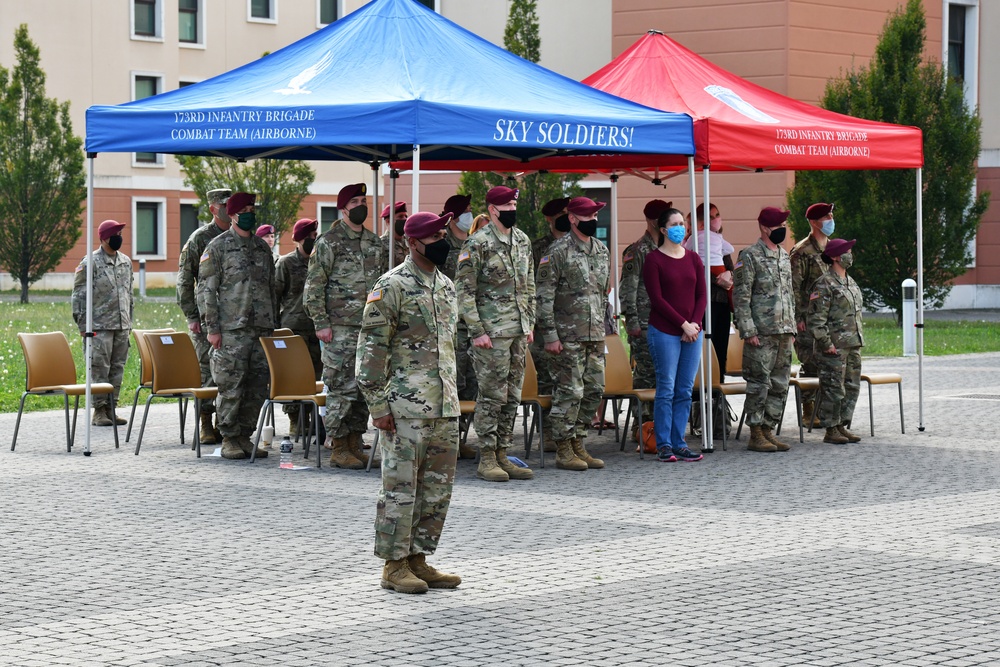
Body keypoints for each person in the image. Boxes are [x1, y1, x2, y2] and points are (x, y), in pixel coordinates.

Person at [357, 210, 462, 594]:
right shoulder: (391, 286)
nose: (442, 241)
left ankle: (419, 558)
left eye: (442, 233)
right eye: (433, 236)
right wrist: (378, 405)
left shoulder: (446, 286)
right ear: (412, 242)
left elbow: (450, 348)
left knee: (436, 489)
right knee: (400, 487)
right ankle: (394, 565)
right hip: (404, 408)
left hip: (443, 405)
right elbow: (370, 350)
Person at [456, 186, 536, 482]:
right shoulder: (477, 243)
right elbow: (464, 292)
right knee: (491, 396)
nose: (513, 208)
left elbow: (528, 287)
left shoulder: (522, 241)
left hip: (517, 332)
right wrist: (477, 331)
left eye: (515, 203)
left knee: (512, 395)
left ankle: (503, 452)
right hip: (490, 334)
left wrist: (528, 324)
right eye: (508, 204)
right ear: (492, 209)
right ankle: (487, 457)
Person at [303, 183, 385, 469]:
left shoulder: (375, 242)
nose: (361, 205)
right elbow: (314, 287)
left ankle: (354, 442)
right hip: (339, 329)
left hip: (370, 327)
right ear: (343, 208)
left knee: (363, 386)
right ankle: (338, 445)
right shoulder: (328, 242)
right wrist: (321, 323)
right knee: (340, 387)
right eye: (355, 201)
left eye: (364, 200)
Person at [197, 192, 276, 460]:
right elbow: (207, 290)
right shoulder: (216, 248)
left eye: (253, 208)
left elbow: (270, 287)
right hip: (231, 329)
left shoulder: (262, 248)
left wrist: (271, 324)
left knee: (257, 385)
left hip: (261, 328)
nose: (250, 213)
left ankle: (245, 435)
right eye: (244, 209)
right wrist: (213, 328)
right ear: (231, 215)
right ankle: (230, 436)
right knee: (231, 385)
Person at [535, 196, 610, 471]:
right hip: (566, 336)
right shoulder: (557, 252)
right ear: (573, 219)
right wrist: (551, 335)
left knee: (594, 389)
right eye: (588, 217)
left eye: (595, 216)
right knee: (570, 391)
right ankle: (564, 447)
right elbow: (543, 297)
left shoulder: (601, 251)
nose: (594, 221)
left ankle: (579, 441)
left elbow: (602, 295)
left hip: (594, 334)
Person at [642, 207, 707, 462]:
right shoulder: (653, 260)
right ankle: (664, 445)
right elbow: (657, 300)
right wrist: (683, 324)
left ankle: (680, 443)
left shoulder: (693, 258)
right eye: (676, 223)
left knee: (684, 390)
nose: (681, 227)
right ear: (664, 230)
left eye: (683, 223)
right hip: (665, 332)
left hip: (693, 332)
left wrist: (695, 324)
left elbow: (702, 295)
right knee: (666, 389)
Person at [732, 207, 796, 453]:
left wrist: (791, 328)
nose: (783, 228)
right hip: (761, 332)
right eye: (779, 224)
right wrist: (748, 331)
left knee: (780, 383)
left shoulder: (783, 256)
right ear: (765, 228)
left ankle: (769, 429)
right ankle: (756, 432)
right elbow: (741, 296)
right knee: (759, 383)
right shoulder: (749, 256)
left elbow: (789, 294)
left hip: (783, 331)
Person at [175, 187, 231, 444]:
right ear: (213, 208)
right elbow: (185, 281)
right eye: (224, 204)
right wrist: (192, 315)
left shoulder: (238, 235)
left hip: (234, 318)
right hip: (207, 319)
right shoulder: (200, 239)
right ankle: (206, 423)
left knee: (231, 373)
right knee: (207, 371)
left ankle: (227, 422)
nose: (229, 209)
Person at [72, 219, 133, 427]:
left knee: (117, 368)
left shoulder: (125, 261)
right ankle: (99, 410)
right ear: (104, 237)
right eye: (115, 234)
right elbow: (79, 295)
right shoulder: (90, 262)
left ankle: (111, 408)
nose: (119, 238)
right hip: (99, 326)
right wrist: (82, 325)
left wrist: (129, 321)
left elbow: (129, 294)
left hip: (121, 325)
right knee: (99, 367)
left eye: (120, 233)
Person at [621, 199, 672, 439]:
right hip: (644, 323)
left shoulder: (669, 248)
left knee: (663, 376)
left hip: (667, 323)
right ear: (653, 221)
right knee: (645, 376)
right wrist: (631, 322)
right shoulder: (637, 251)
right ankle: (641, 427)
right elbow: (627, 289)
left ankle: (659, 427)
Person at [806, 238, 864, 445]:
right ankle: (831, 428)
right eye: (846, 251)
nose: (850, 254)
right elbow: (815, 320)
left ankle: (841, 425)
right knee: (833, 387)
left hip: (852, 344)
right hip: (833, 347)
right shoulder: (824, 284)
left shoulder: (850, 281)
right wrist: (826, 344)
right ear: (834, 257)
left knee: (851, 387)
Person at [274, 218, 322, 438]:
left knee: (317, 375)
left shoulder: (320, 262)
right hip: (293, 328)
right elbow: (275, 295)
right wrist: (275, 329)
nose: (314, 239)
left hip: (317, 328)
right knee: (296, 377)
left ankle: (316, 419)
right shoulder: (286, 263)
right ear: (300, 239)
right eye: (310, 237)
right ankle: (295, 419)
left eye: (315, 235)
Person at [440, 193, 478, 460]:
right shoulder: (442, 246)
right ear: (453, 216)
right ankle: (445, 440)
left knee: (470, 385)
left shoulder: (476, 244)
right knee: (453, 382)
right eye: (466, 210)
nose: (470, 214)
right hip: (451, 328)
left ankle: (459, 436)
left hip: (474, 326)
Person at [790, 202, 835, 427]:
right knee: (810, 363)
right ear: (814, 222)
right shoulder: (802, 251)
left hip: (830, 318)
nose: (831, 219)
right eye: (826, 216)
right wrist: (798, 318)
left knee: (829, 364)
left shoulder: (834, 248)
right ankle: (808, 411)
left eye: (831, 215)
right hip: (808, 317)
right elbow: (794, 287)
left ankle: (824, 410)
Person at [530, 197, 569, 449]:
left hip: (571, 323)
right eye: (562, 213)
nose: (567, 216)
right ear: (550, 219)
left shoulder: (576, 245)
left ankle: (566, 433)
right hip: (545, 324)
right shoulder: (538, 248)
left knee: (568, 380)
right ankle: (546, 433)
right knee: (546, 379)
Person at [684, 202, 735, 379]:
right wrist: (717, 280)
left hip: (721, 303)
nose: (715, 220)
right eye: (710, 217)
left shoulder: (720, 241)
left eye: (717, 215)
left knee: (720, 349)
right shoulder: (692, 242)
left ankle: (718, 399)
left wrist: (729, 275)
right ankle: (699, 401)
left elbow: (730, 267)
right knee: (703, 351)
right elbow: (692, 270)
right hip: (702, 304)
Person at [380, 201, 409, 269]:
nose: (405, 219)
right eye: (400, 216)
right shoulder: (380, 244)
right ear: (388, 221)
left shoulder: (409, 241)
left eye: (406, 216)